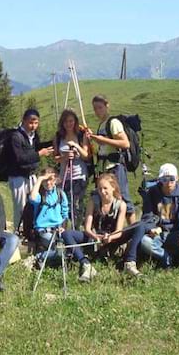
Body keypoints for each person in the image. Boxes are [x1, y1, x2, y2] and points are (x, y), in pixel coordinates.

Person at [62, 173, 141, 280]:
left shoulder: (121, 204)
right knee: (67, 234)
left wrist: (110, 237)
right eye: (100, 189)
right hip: (94, 237)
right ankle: (85, 264)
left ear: (113, 187)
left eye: (105, 188)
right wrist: (96, 237)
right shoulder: (93, 202)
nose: (102, 192)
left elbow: (119, 231)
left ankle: (130, 262)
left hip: (113, 237)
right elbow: (87, 228)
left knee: (138, 226)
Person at [135, 163, 179, 268]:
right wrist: (151, 228)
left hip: (176, 232)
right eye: (165, 179)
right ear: (160, 180)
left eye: (172, 179)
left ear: (177, 178)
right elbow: (148, 214)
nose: (168, 183)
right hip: (159, 233)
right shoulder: (152, 192)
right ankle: (167, 257)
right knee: (145, 242)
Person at [85, 95, 136, 224]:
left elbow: (125, 143)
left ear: (107, 106)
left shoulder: (112, 122)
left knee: (123, 198)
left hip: (115, 166)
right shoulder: (102, 124)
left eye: (100, 107)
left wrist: (102, 139)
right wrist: (94, 137)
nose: (97, 111)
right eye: (95, 108)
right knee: (109, 199)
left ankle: (134, 231)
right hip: (105, 168)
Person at [7, 108, 54, 231]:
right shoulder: (16, 136)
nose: (33, 126)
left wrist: (52, 143)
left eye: (36, 123)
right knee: (20, 207)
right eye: (30, 122)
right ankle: (18, 232)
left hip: (31, 175)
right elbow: (20, 158)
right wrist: (39, 154)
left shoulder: (33, 136)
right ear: (23, 121)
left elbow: (36, 148)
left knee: (34, 203)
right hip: (18, 177)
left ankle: (30, 231)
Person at [53, 109, 90, 228]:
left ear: (75, 121)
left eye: (71, 121)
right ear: (62, 123)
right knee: (64, 204)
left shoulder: (80, 135)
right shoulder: (58, 136)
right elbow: (56, 158)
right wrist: (64, 157)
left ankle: (77, 229)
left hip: (79, 175)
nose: (68, 124)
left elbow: (86, 155)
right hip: (64, 176)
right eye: (65, 122)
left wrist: (76, 146)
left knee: (77, 204)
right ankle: (65, 230)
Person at [27, 167, 70, 266]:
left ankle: (43, 256)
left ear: (55, 180)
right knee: (59, 249)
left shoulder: (60, 194)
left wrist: (63, 227)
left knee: (67, 248)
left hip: (58, 229)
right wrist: (40, 179)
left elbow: (65, 213)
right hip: (43, 230)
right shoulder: (40, 195)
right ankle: (38, 258)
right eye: (45, 181)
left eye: (50, 180)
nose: (48, 183)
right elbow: (32, 198)